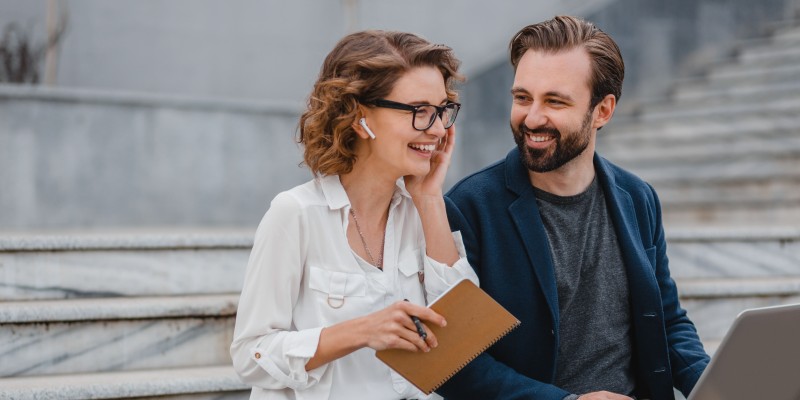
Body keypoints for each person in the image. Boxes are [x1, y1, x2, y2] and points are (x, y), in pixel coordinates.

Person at [437, 16, 709, 400]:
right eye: (522, 97)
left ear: (603, 111)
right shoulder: (469, 207)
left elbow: (666, 319)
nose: (532, 117)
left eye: (555, 101)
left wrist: (713, 381)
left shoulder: (638, 197)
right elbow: (457, 361)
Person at [230, 30, 478, 400]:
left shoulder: (423, 210)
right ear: (359, 116)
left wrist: (428, 199)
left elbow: (464, 333)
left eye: (442, 110)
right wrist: (361, 331)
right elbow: (251, 355)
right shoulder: (295, 214)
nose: (439, 129)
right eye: (419, 111)